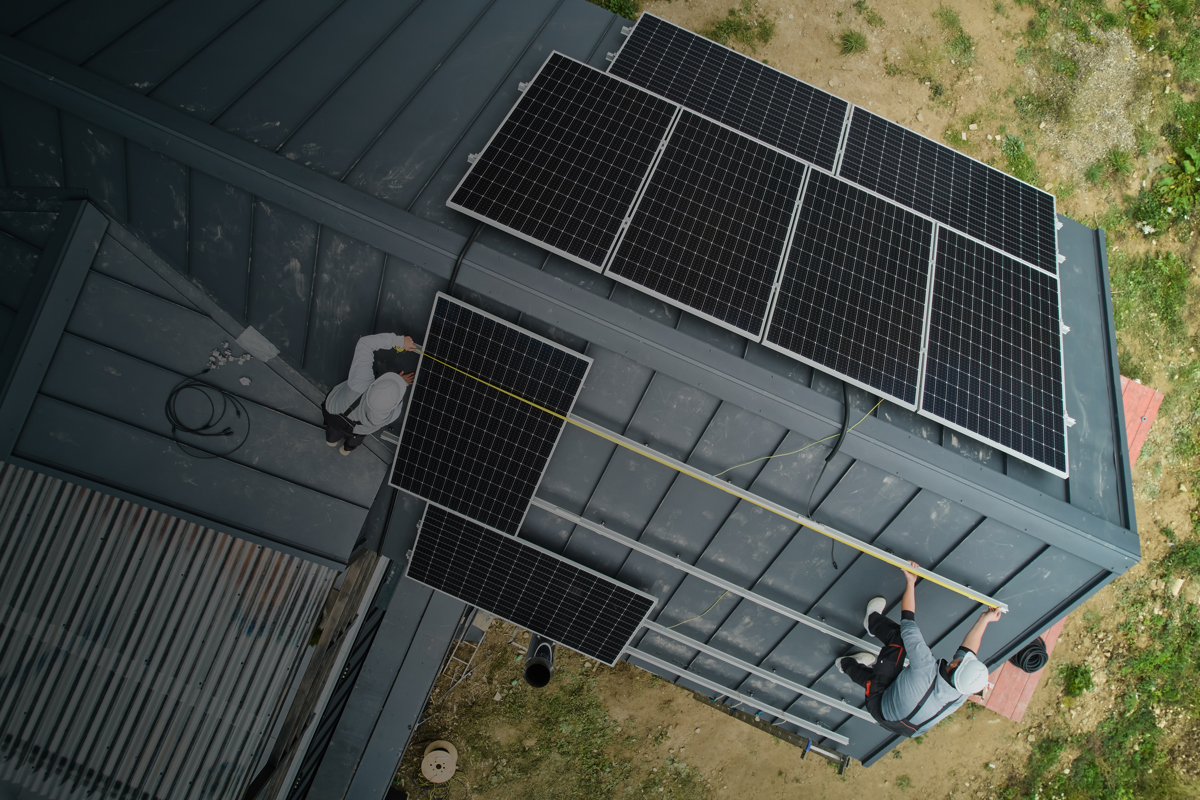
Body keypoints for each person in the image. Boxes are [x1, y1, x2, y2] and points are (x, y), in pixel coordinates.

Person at [837, 560, 1003, 737]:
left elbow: (908, 623)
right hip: (908, 721)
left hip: (880, 705)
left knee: (898, 639)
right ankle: (869, 669)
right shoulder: (961, 691)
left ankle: (848, 659)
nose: (967, 656)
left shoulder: (925, 669)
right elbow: (968, 650)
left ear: (955, 666)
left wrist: (910, 582)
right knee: (889, 678)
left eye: (965, 660)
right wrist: (984, 619)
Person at [323, 333, 418, 454]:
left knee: (333, 431)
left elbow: (365, 344)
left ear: (376, 383)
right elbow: (391, 402)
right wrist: (402, 383)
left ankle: (331, 440)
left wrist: (398, 341)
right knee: (355, 439)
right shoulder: (391, 415)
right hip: (358, 431)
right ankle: (346, 449)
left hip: (334, 413)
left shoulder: (359, 383)